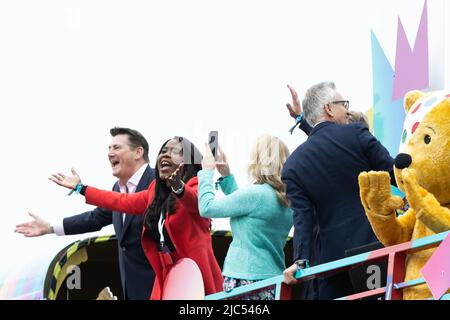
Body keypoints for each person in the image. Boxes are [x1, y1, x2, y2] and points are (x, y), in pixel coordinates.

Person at [48, 136, 223, 300]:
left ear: (187, 163)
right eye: (163, 151)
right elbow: (119, 200)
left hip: (196, 276)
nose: (165, 154)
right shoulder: (154, 193)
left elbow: (196, 203)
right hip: (167, 276)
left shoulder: (196, 186)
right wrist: (81, 188)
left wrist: (179, 187)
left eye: (175, 151)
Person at [281, 82, 395, 299]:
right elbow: (395, 173)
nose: (348, 111)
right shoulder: (356, 134)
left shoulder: (293, 165)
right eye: (343, 104)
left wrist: (300, 260)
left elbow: (302, 218)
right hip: (374, 249)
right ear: (329, 109)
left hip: (330, 265)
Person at [15, 127, 156, 300]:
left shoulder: (158, 183)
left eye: (117, 148)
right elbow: (95, 218)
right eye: (109, 149)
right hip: (132, 291)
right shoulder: (117, 190)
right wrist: (50, 227)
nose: (110, 153)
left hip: (165, 288)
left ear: (138, 152)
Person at [198, 134, 293, 299]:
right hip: (272, 279)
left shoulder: (255, 195)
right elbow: (248, 213)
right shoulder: (285, 199)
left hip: (244, 278)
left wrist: (206, 172)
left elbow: (207, 208)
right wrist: (226, 176)